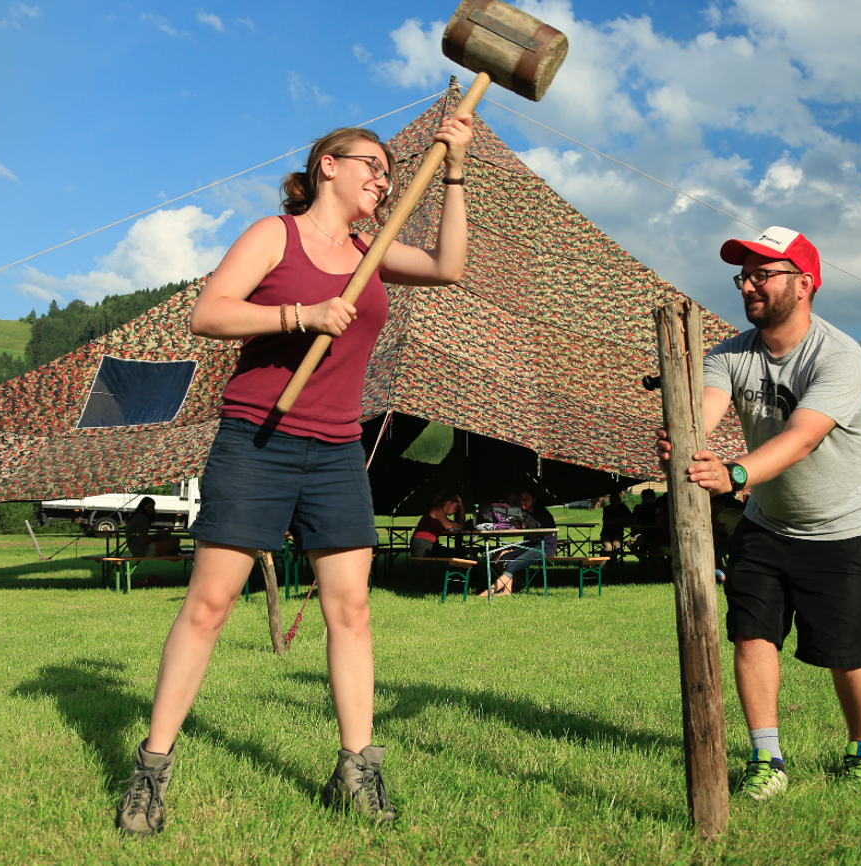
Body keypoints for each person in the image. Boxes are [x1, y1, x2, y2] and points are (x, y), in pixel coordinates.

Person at [115, 115, 474, 836]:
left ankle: (357, 769)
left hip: (338, 448)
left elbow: (448, 266)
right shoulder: (271, 236)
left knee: (353, 610)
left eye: (388, 171)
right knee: (210, 605)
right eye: (371, 165)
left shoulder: (372, 252)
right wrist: (300, 313)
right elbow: (207, 313)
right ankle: (151, 770)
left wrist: (457, 168)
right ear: (326, 168)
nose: (382, 178)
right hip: (258, 437)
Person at [657, 226, 861, 801]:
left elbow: (804, 437)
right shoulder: (730, 353)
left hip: (841, 526)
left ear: (805, 284)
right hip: (767, 521)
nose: (749, 286)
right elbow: (703, 410)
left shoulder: (838, 356)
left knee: (846, 653)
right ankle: (768, 758)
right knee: (752, 634)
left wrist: (734, 473)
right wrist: (683, 441)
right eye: (744, 276)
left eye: (764, 275)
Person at [480, 489, 556, 597]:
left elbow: (533, 527)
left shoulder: (540, 512)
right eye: (522, 499)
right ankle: (507, 591)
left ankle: (488, 593)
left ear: (534, 500)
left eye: (527, 499)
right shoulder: (524, 512)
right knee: (503, 558)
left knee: (511, 564)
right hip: (530, 544)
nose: (523, 501)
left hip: (544, 547)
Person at [410, 492, 469, 557]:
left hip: (425, 545)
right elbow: (449, 525)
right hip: (423, 546)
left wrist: (461, 505)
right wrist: (467, 525)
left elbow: (459, 523)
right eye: (455, 508)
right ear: (448, 503)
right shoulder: (438, 510)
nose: (455, 511)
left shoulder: (440, 515)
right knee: (458, 555)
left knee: (458, 554)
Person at [598, 490, 632, 559]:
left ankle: (613, 563)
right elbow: (605, 523)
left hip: (618, 534)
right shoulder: (607, 509)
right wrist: (620, 519)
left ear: (619, 501)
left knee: (617, 546)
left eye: (615, 501)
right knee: (608, 548)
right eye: (612, 501)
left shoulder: (623, 508)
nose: (613, 503)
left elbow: (630, 517)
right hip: (606, 534)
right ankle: (602, 562)